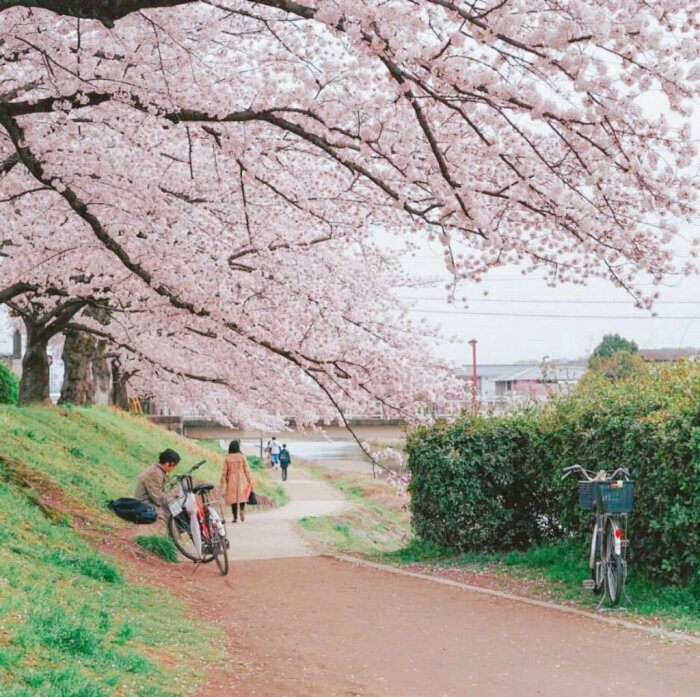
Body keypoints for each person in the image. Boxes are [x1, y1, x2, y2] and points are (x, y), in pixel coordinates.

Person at [134, 448, 180, 527]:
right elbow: (158, 499)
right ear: (167, 463)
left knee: (177, 509)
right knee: (172, 513)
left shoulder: (159, 471)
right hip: (144, 504)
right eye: (174, 465)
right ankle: (174, 537)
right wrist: (172, 497)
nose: (174, 468)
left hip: (150, 500)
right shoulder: (155, 473)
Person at [220, 440, 252, 523]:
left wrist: (222, 484)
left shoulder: (228, 458)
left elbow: (224, 473)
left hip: (231, 479)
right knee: (242, 497)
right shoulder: (242, 457)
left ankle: (235, 517)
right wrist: (250, 481)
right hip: (242, 478)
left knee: (233, 499)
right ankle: (241, 509)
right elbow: (247, 470)